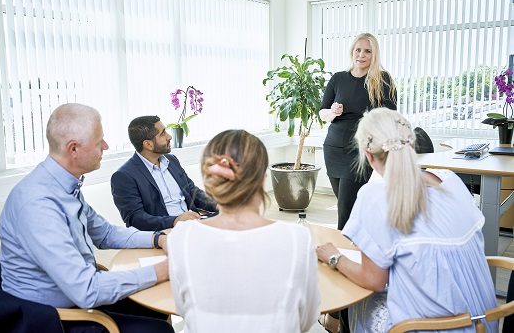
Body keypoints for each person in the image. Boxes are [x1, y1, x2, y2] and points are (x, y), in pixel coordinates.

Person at [316, 107, 498, 333]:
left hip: (433, 327)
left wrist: (334, 257)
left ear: (368, 155)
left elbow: (374, 280)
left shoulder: (374, 198)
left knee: (355, 295)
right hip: (485, 320)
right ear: (412, 145)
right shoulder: (451, 181)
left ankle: (332, 324)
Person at [0, 103, 172, 333]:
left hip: (76, 296)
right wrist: (163, 270)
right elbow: (87, 291)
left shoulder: (64, 187)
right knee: (159, 329)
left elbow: (106, 233)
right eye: (99, 140)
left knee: (157, 309)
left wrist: (158, 239)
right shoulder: (39, 205)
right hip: (54, 318)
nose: (106, 146)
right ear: (73, 149)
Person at [168, 129, 320, 333]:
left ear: (211, 178)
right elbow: (306, 320)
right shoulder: (297, 238)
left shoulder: (181, 238)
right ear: (263, 178)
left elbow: (184, 310)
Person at [318, 32, 397, 333]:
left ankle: (341, 312)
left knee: (345, 221)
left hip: (361, 153)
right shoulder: (337, 78)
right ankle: (345, 304)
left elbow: (390, 118)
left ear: (373, 54)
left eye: (367, 51)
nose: (361, 55)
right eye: (357, 50)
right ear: (352, 52)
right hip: (333, 149)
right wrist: (331, 112)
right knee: (347, 212)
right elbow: (322, 111)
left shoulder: (382, 80)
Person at [111, 115, 217, 231]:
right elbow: (136, 219)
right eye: (163, 134)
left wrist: (218, 205)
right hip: (164, 232)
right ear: (148, 145)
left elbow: (192, 192)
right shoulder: (123, 176)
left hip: (194, 224)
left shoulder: (171, 160)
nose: (169, 136)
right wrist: (175, 220)